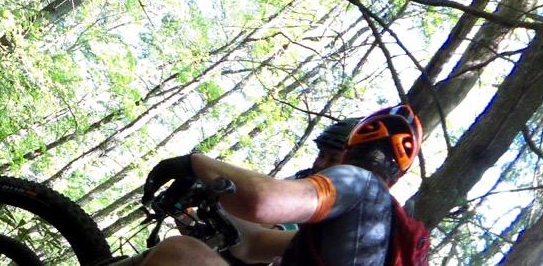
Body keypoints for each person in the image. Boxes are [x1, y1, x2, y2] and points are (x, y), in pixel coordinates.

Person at [140, 104, 426, 266]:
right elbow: (254, 244)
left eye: (332, 158)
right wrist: (207, 198)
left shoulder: (358, 183)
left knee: (181, 255)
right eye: (321, 156)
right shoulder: (374, 235)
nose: (321, 165)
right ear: (397, 177)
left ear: (349, 154)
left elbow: (262, 200)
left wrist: (194, 163)